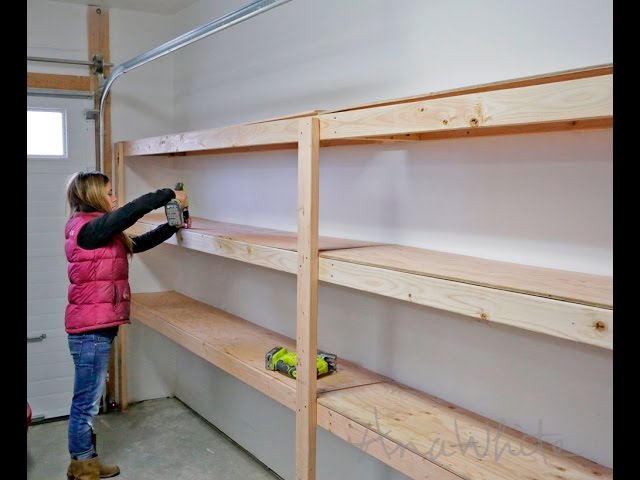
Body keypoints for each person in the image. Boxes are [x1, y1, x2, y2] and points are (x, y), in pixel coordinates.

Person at [63, 171, 189, 480]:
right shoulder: (87, 229)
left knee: (87, 400)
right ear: (93, 196)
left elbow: (138, 243)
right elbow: (131, 211)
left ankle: (84, 462)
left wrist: (171, 225)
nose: (114, 197)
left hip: (97, 327)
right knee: (86, 403)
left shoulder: (100, 230)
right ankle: (83, 467)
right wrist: (168, 195)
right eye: (109, 192)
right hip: (89, 331)